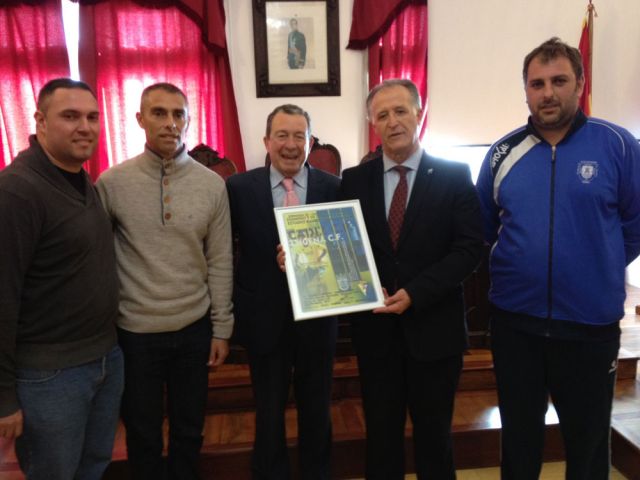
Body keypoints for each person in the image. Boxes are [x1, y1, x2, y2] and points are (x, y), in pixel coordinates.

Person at [476, 37, 640, 480]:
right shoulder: (501, 155)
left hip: (589, 329)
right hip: (516, 326)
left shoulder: (619, 147)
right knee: (519, 442)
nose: (547, 92)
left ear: (580, 83)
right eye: (537, 83)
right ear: (525, 90)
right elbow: (486, 229)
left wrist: (598, 263)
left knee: (587, 448)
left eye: (559, 81)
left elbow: (635, 223)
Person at [340, 79, 484, 479]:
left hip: (435, 331)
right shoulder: (354, 180)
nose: (393, 121)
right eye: (382, 115)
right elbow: (337, 243)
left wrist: (416, 293)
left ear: (419, 114)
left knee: (434, 439)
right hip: (376, 333)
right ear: (373, 124)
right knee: (381, 439)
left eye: (400, 111)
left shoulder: (455, 175)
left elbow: (469, 249)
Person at [96, 82, 234, 480]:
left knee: (190, 431)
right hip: (135, 333)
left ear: (189, 120)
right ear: (140, 119)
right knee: (142, 434)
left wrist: (221, 327)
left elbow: (221, 259)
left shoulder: (212, 185)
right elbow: (99, 261)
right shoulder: (112, 183)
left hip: (194, 329)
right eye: (159, 113)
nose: (170, 123)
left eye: (179, 114)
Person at [0, 78, 123, 479]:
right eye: (70, 116)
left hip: (103, 358)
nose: (84, 127)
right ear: (40, 120)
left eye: (92, 116)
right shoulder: (17, 191)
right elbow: (3, 296)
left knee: (93, 466)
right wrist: (3, 397)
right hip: (49, 375)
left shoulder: (79, 176)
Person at [226, 104, 340, 479]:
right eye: (282, 135)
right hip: (264, 318)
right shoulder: (239, 188)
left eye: (299, 136)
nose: (291, 145)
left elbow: (345, 249)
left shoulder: (334, 187)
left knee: (317, 409)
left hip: (318, 319)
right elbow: (225, 250)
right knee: (269, 411)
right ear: (266, 141)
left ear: (310, 142)